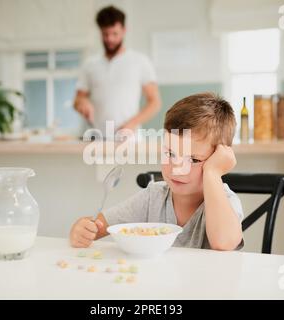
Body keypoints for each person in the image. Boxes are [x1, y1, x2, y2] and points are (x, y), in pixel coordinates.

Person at [70, 92, 244, 251]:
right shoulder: (153, 197)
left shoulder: (226, 201)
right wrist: (82, 229)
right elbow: (97, 226)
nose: (177, 168)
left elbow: (223, 243)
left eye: (193, 159)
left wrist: (213, 173)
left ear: (219, 158)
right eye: (170, 153)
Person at [74, 6, 161, 137]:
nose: (110, 39)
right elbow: (78, 99)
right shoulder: (90, 65)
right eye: (105, 34)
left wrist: (132, 124)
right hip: (97, 139)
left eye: (114, 34)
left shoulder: (140, 61)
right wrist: (82, 102)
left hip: (130, 140)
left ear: (124, 31)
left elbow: (155, 102)